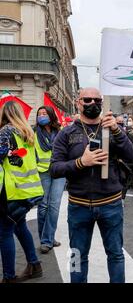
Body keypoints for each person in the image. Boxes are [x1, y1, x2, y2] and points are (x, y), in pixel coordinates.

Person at [50, 87, 133, 283]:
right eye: (87, 100)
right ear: (78, 102)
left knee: (115, 254)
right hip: (79, 205)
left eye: (97, 100)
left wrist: (116, 130)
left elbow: (131, 156)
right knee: (77, 255)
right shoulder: (67, 133)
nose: (92, 104)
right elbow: (54, 169)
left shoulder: (112, 129)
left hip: (111, 204)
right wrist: (81, 162)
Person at [0, 101, 44, 283]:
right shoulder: (28, 132)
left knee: (4, 232)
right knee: (19, 226)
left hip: (14, 191)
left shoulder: (5, 132)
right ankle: (34, 265)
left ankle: (9, 277)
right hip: (30, 189)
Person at [34, 106, 66, 254]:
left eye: (44, 113)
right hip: (42, 172)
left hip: (58, 171)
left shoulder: (60, 132)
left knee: (54, 206)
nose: (41, 116)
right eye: (39, 114)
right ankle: (46, 238)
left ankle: (46, 240)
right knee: (43, 207)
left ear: (50, 115)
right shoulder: (33, 133)